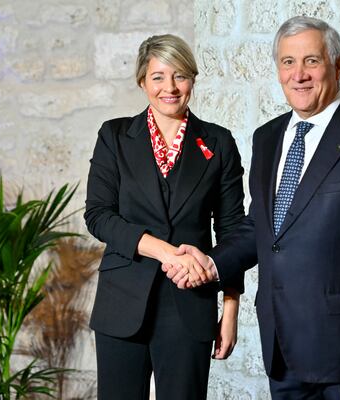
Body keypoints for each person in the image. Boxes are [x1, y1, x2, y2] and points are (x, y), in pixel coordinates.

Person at [164, 16, 340, 399]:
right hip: (283, 350)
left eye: (311, 61)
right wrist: (212, 262)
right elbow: (264, 228)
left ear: (337, 65)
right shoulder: (267, 137)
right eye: (288, 62)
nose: (298, 74)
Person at [84, 34, 246, 400]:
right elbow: (98, 215)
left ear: (192, 79)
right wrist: (166, 252)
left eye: (179, 76)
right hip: (121, 304)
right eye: (158, 77)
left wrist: (231, 309)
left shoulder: (218, 143)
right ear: (142, 81)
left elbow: (234, 230)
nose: (169, 88)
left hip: (190, 306)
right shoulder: (114, 135)